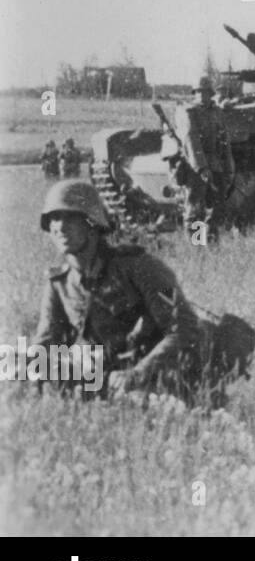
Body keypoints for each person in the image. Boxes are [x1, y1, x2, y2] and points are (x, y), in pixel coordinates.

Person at [30, 179, 208, 404]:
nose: (60, 226)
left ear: (92, 224)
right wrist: (33, 375)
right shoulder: (60, 283)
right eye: (54, 218)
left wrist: (138, 373)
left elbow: (184, 328)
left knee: (141, 405)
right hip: (103, 376)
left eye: (70, 218)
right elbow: (46, 342)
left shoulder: (140, 267)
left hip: (153, 374)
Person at [172, 78, 235, 246]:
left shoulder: (217, 112)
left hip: (216, 164)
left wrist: (229, 167)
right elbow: (191, 140)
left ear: (211, 94)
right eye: (199, 92)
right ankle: (197, 245)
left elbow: (224, 140)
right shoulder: (189, 112)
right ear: (195, 94)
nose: (202, 95)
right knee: (196, 208)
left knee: (217, 207)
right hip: (195, 166)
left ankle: (211, 242)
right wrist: (201, 168)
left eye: (205, 92)